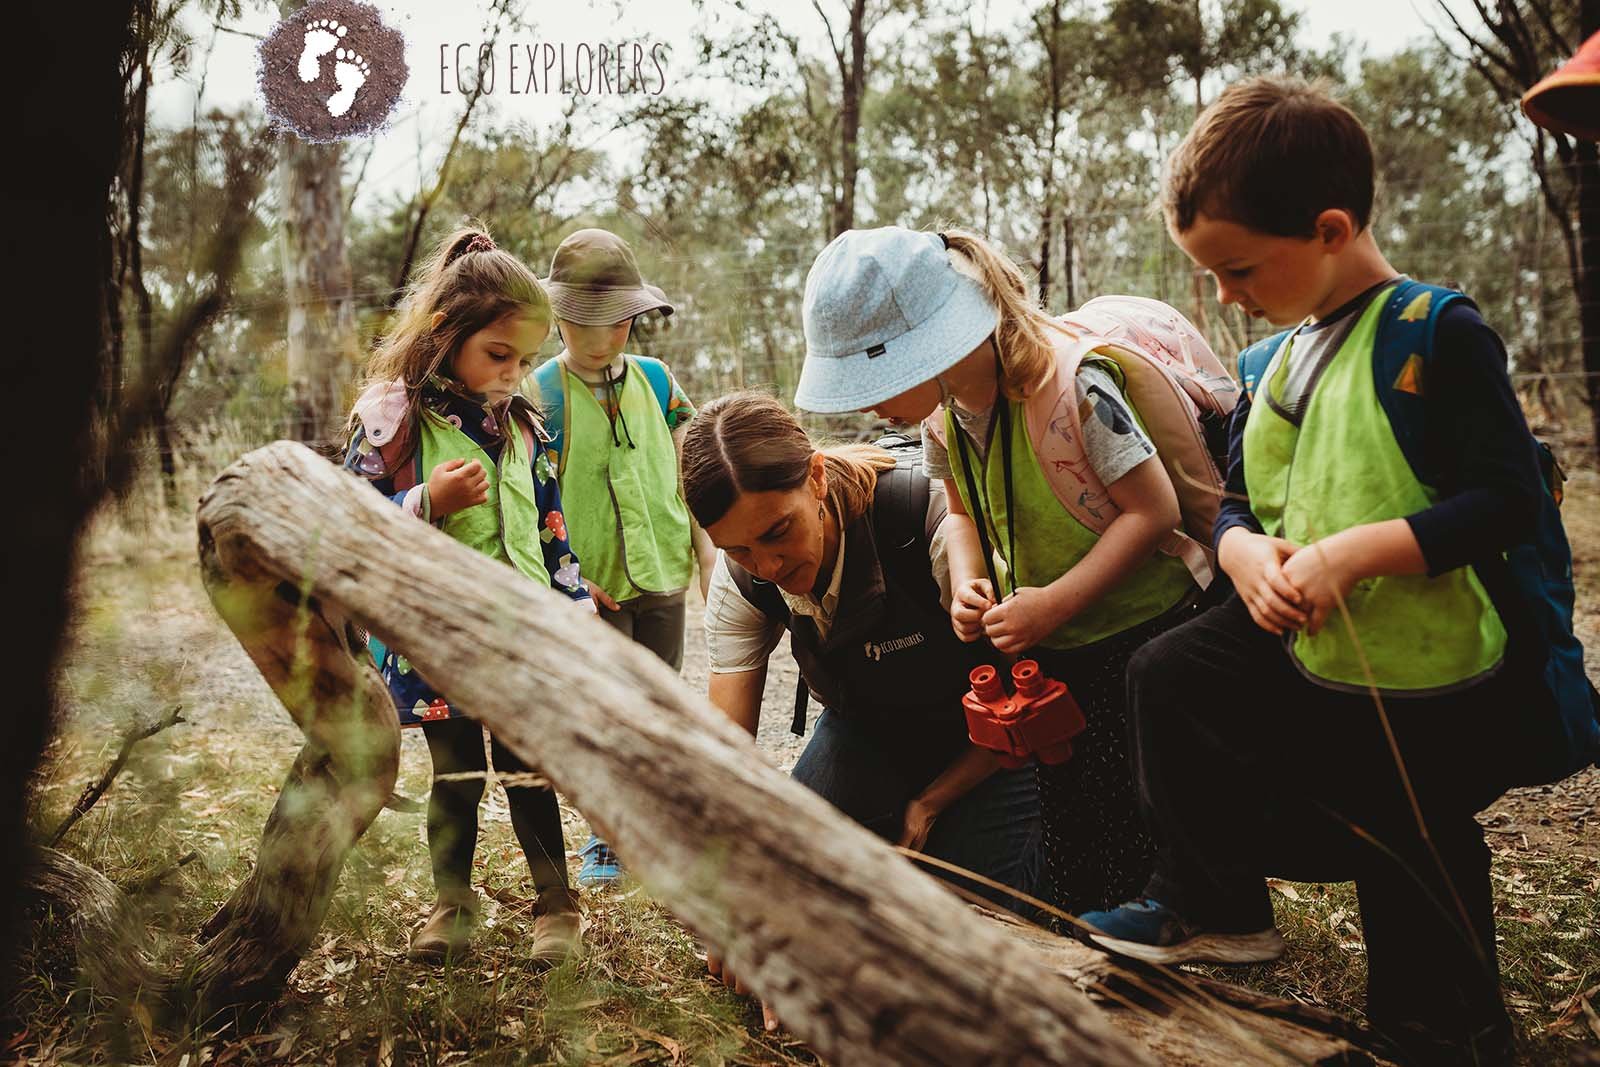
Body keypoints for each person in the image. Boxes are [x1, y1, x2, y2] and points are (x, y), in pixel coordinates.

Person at [1079, 76, 1598, 1064]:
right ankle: (1213, 903)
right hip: (1308, 637)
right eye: (1210, 276)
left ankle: (1449, 1033)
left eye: (1237, 268)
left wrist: (1353, 551)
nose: (1224, 296)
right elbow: (1234, 502)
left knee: (1408, 838)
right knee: (1169, 674)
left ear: (1327, 229)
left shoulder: (1436, 333)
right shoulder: (1274, 358)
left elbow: (1505, 502)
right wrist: (1240, 550)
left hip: (1431, 658)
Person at [793, 225, 1207, 919]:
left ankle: (1167, 928)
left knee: (1139, 800)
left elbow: (1153, 511)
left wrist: (1053, 605)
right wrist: (966, 580)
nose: (868, 406)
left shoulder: (1074, 390)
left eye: (876, 380)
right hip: (1062, 642)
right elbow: (959, 512)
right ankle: (1087, 935)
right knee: (1073, 809)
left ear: (931, 343)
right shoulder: (945, 420)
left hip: (1139, 631)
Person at [684, 392, 1040, 1028]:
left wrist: (931, 802)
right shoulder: (744, 585)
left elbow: (1026, 702)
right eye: (737, 551)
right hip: (867, 736)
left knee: (950, 944)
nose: (767, 566)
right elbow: (726, 760)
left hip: (994, 750)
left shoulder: (922, 518)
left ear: (816, 478)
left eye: (777, 532)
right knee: (796, 893)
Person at [344, 226, 589, 967]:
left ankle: (556, 906)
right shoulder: (392, 418)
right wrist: (425, 496)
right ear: (446, 333)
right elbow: (349, 520)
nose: (513, 373)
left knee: (526, 771)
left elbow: (552, 529)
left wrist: (574, 609)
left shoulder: (524, 425)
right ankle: (452, 903)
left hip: (521, 637)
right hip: (436, 642)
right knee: (456, 776)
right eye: (498, 354)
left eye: (524, 358)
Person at [530, 228, 716, 889]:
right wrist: (566, 582)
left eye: (618, 323)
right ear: (558, 317)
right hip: (592, 584)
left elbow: (693, 472)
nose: (604, 338)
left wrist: (706, 559)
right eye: (587, 323)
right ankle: (606, 834)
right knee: (606, 708)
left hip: (662, 568)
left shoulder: (660, 381)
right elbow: (527, 498)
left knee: (660, 699)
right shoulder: (540, 393)